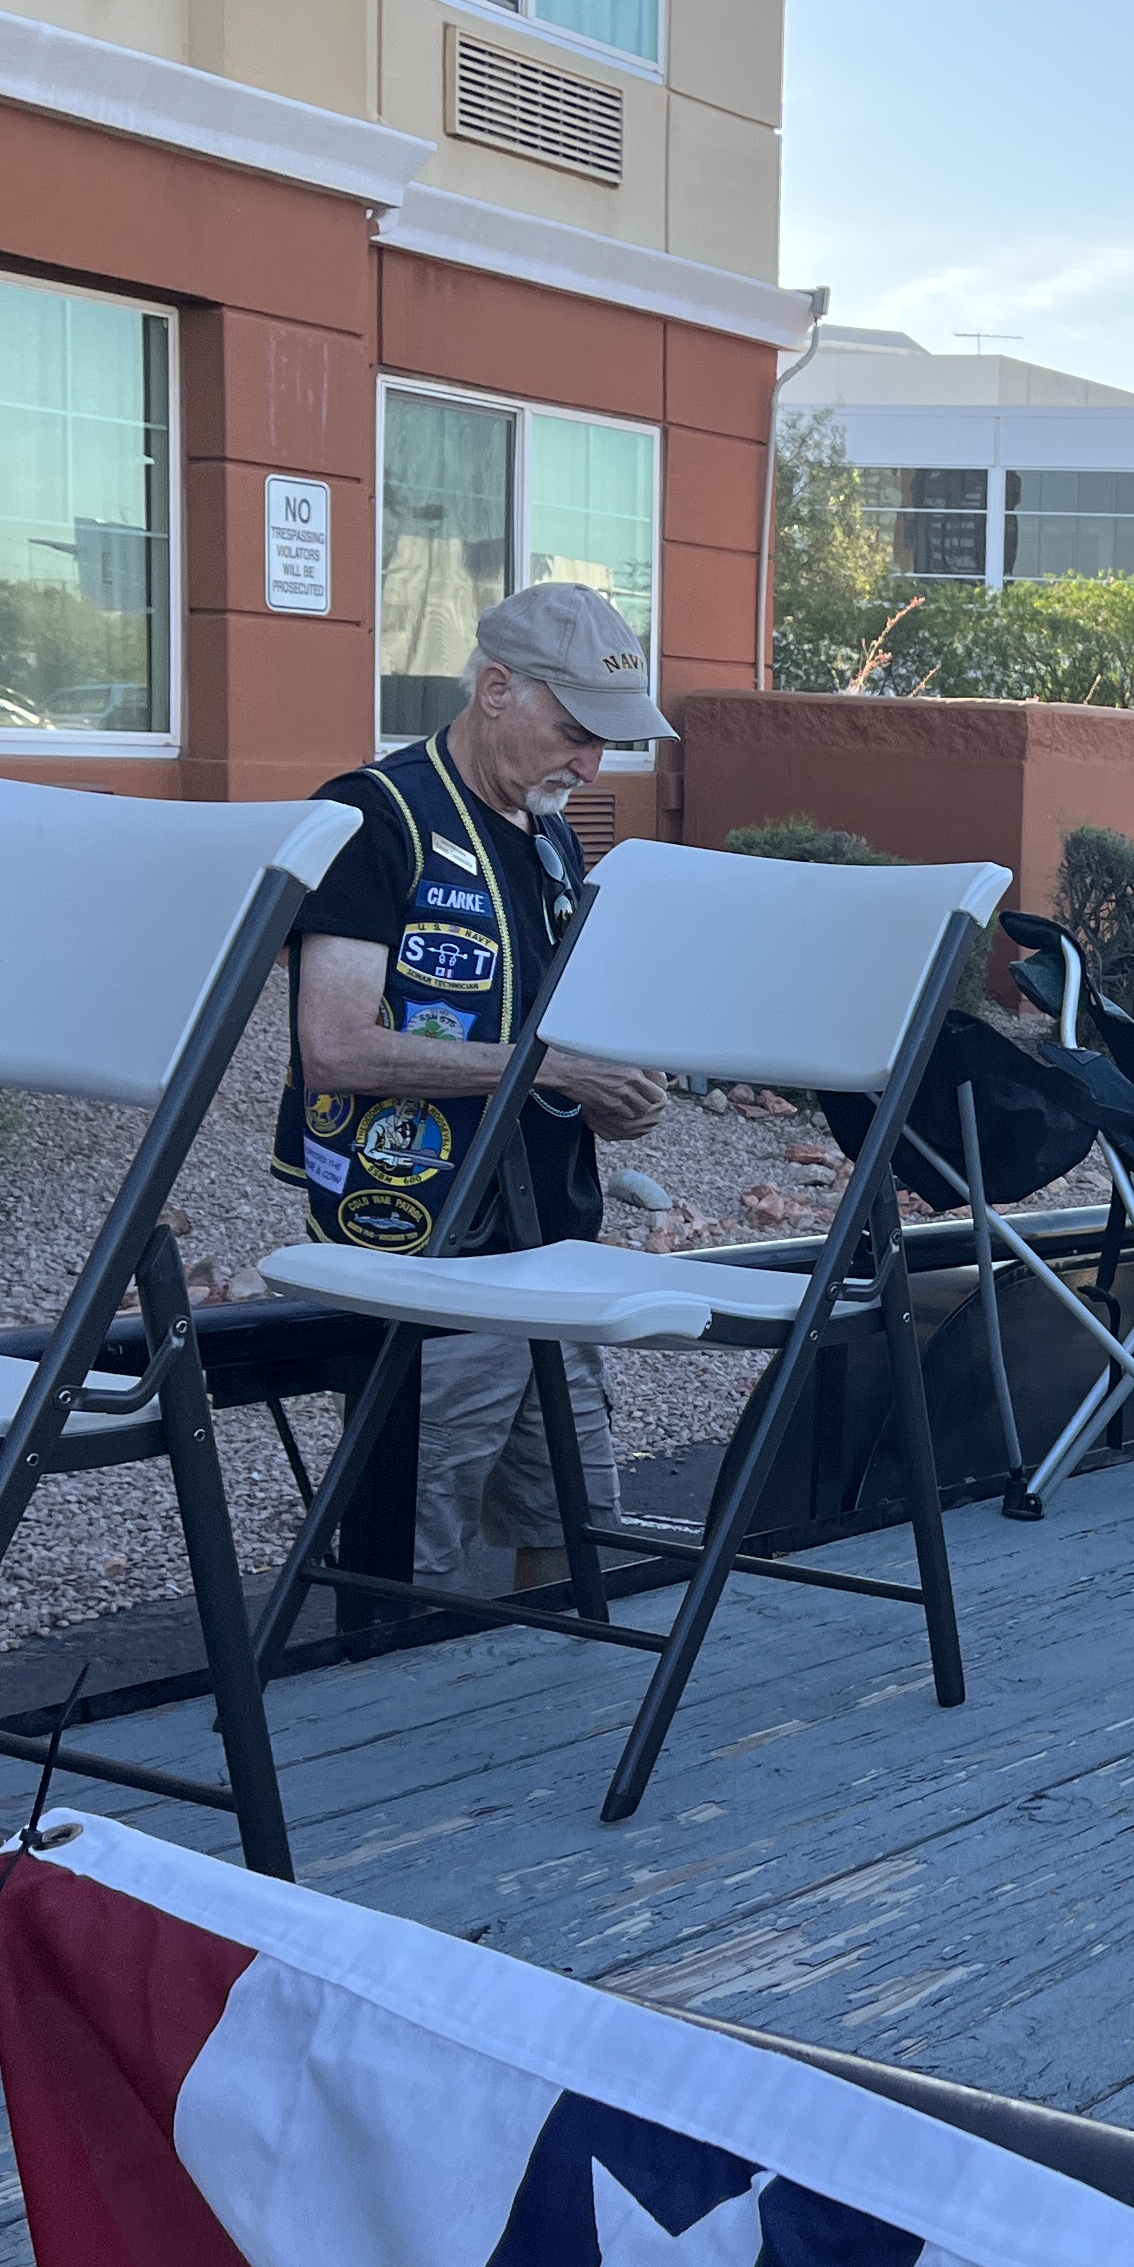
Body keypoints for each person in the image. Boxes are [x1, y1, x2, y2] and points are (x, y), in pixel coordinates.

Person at [274, 582, 674, 1596]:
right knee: (405, 1562)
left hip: (552, 1243)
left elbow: (548, 1030)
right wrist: (553, 1069)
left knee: (575, 1529)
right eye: (576, 733)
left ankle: (557, 1694)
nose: (592, 765)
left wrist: (606, 1091)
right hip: (428, 1249)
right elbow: (334, 1047)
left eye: (608, 742)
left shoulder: (549, 829)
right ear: (496, 689)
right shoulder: (370, 813)